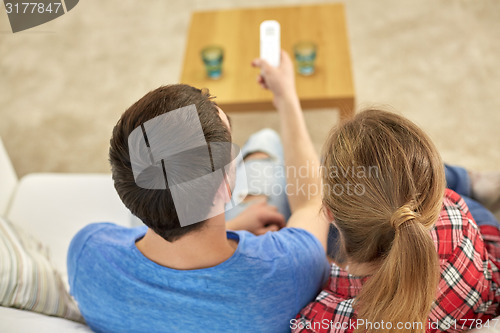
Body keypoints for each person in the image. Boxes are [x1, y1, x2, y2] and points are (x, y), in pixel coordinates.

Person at [252, 51, 500, 333]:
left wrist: (285, 98)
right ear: (431, 199)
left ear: (328, 211)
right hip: (479, 259)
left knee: (301, 179)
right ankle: (469, 182)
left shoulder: (317, 321)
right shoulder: (455, 217)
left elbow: (309, 203)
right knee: (402, 174)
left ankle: (467, 181)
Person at [67, 75, 331, 331]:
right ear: (227, 184)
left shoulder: (87, 253)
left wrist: (236, 226)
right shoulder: (288, 268)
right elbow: (311, 201)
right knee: (266, 140)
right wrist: (285, 96)